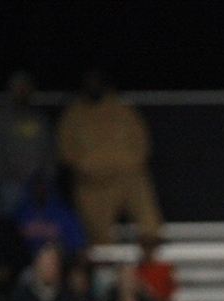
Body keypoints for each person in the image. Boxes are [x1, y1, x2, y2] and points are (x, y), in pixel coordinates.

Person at [56, 70, 163, 245]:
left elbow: (141, 144)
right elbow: (66, 152)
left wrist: (127, 163)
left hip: (126, 176)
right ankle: (104, 266)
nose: (93, 85)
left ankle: (152, 257)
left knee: (148, 219)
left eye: (97, 81)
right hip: (93, 184)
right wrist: (86, 168)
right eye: (89, 81)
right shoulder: (73, 114)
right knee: (98, 238)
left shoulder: (121, 109)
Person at [0, 71, 55, 214]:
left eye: (26, 89)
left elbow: (50, 148)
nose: (22, 92)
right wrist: (3, 173)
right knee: (11, 220)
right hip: (10, 183)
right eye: (19, 88)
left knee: (40, 219)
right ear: (11, 90)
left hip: (38, 183)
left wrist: (47, 175)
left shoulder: (39, 119)